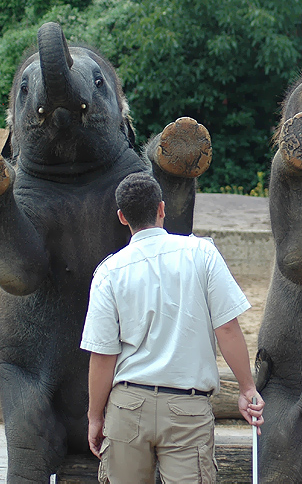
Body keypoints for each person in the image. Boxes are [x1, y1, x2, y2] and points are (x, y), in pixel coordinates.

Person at [81, 172, 264, 483]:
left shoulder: (109, 272)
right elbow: (228, 330)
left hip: (128, 407)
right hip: (187, 408)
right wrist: (247, 387)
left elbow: (103, 355)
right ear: (162, 209)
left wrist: (95, 416)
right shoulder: (202, 254)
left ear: (122, 217)